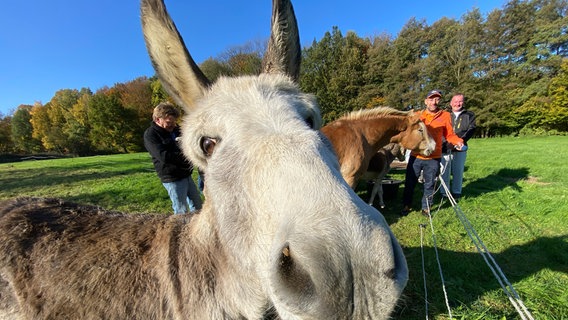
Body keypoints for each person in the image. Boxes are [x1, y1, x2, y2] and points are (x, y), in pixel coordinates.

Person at [401, 90, 464, 217]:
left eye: (436, 99)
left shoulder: (445, 115)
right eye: (431, 99)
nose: (434, 102)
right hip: (416, 155)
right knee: (410, 183)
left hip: (434, 157)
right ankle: (406, 206)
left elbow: (450, 134)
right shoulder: (418, 115)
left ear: (439, 101)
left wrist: (458, 141)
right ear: (426, 101)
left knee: (430, 184)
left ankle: (426, 208)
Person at [144, 102, 202, 214]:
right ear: (157, 120)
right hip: (172, 178)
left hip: (186, 174)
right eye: (169, 122)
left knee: (197, 205)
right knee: (181, 210)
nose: (173, 125)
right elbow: (164, 156)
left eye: (174, 122)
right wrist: (187, 155)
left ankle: (197, 230)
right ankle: (180, 231)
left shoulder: (176, 129)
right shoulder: (150, 135)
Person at [440, 94, 476, 200]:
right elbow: (440, 130)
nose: (457, 104)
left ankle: (456, 192)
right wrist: (446, 143)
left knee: (458, 170)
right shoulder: (444, 115)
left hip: (461, 147)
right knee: (444, 170)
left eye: (460, 101)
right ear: (451, 103)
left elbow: (471, 129)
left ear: (463, 103)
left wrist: (461, 141)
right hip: (445, 147)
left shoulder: (469, 114)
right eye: (455, 101)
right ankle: (444, 193)